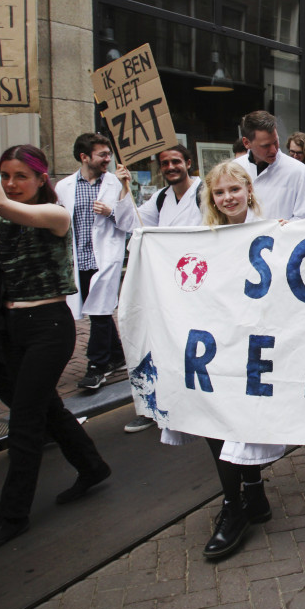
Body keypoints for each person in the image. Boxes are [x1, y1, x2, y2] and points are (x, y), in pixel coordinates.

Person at [0, 107, 111, 553]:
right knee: (46, 408)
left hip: (48, 328)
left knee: (24, 422)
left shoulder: (56, 215)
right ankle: (92, 466)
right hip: (11, 327)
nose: (11, 183)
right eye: (4, 174)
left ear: (40, 180)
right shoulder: (4, 218)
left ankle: (11, 516)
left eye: (21, 175)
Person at [158, 161, 286, 559]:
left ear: (249, 190)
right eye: (219, 192)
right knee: (216, 418)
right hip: (217, 345)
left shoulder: (277, 232)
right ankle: (237, 504)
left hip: (256, 347)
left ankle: (251, 495)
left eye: (234, 189)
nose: (228, 197)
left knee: (242, 420)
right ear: (210, 198)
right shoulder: (200, 240)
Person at [112, 144, 203, 433]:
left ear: (188, 163)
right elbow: (129, 222)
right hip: (167, 287)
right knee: (163, 343)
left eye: (176, 161)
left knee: (191, 344)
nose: (170, 167)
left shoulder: (205, 194)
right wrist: (124, 188)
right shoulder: (161, 199)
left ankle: (198, 402)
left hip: (198, 286)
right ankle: (159, 401)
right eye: (164, 163)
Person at [56, 134, 127, 390]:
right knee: (101, 311)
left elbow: (131, 220)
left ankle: (96, 366)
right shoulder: (63, 187)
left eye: (109, 154)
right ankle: (117, 357)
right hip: (79, 260)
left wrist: (111, 213)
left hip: (105, 258)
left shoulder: (116, 184)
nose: (108, 159)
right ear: (84, 157)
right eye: (102, 155)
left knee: (98, 312)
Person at [234, 110, 305, 220]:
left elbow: (304, 216)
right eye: (265, 146)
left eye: (276, 142)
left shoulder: (298, 170)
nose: (273, 150)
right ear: (246, 143)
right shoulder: (235, 168)